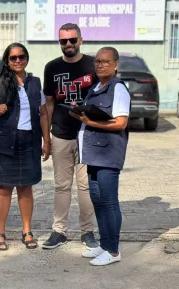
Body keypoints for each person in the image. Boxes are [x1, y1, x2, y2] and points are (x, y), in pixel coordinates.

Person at [0, 43, 50, 251]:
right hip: (4, 141)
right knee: (4, 188)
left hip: (29, 141)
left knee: (26, 187)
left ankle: (26, 230)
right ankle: (0, 232)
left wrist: (46, 140)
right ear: (7, 60)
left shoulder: (34, 82)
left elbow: (43, 112)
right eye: (13, 58)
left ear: (27, 58)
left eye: (21, 57)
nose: (18, 61)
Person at [71, 47, 130, 266]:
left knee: (109, 201)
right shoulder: (96, 87)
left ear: (115, 64)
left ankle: (113, 251)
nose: (100, 65)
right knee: (97, 200)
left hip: (107, 154)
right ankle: (104, 245)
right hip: (93, 154)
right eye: (97, 61)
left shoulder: (118, 89)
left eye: (105, 62)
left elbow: (120, 122)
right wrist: (79, 112)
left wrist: (91, 122)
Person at [42, 23, 99, 250]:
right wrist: (47, 138)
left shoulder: (92, 65)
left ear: (80, 40)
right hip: (61, 135)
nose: (68, 44)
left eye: (72, 40)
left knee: (86, 187)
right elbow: (48, 104)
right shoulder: (51, 67)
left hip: (88, 134)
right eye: (63, 41)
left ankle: (88, 232)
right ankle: (59, 231)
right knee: (62, 185)